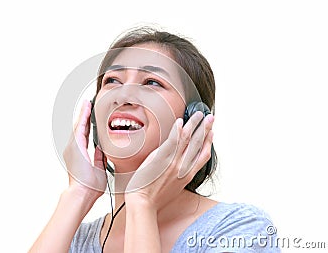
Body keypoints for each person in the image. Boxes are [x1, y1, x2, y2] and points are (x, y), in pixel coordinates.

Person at [29, 27, 279, 252]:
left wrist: (142, 202)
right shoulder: (72, 241)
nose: (122, 95)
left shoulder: (238, 230)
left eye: (151, 82)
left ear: (195, 119)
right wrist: (78, 193)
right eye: (112, 81)